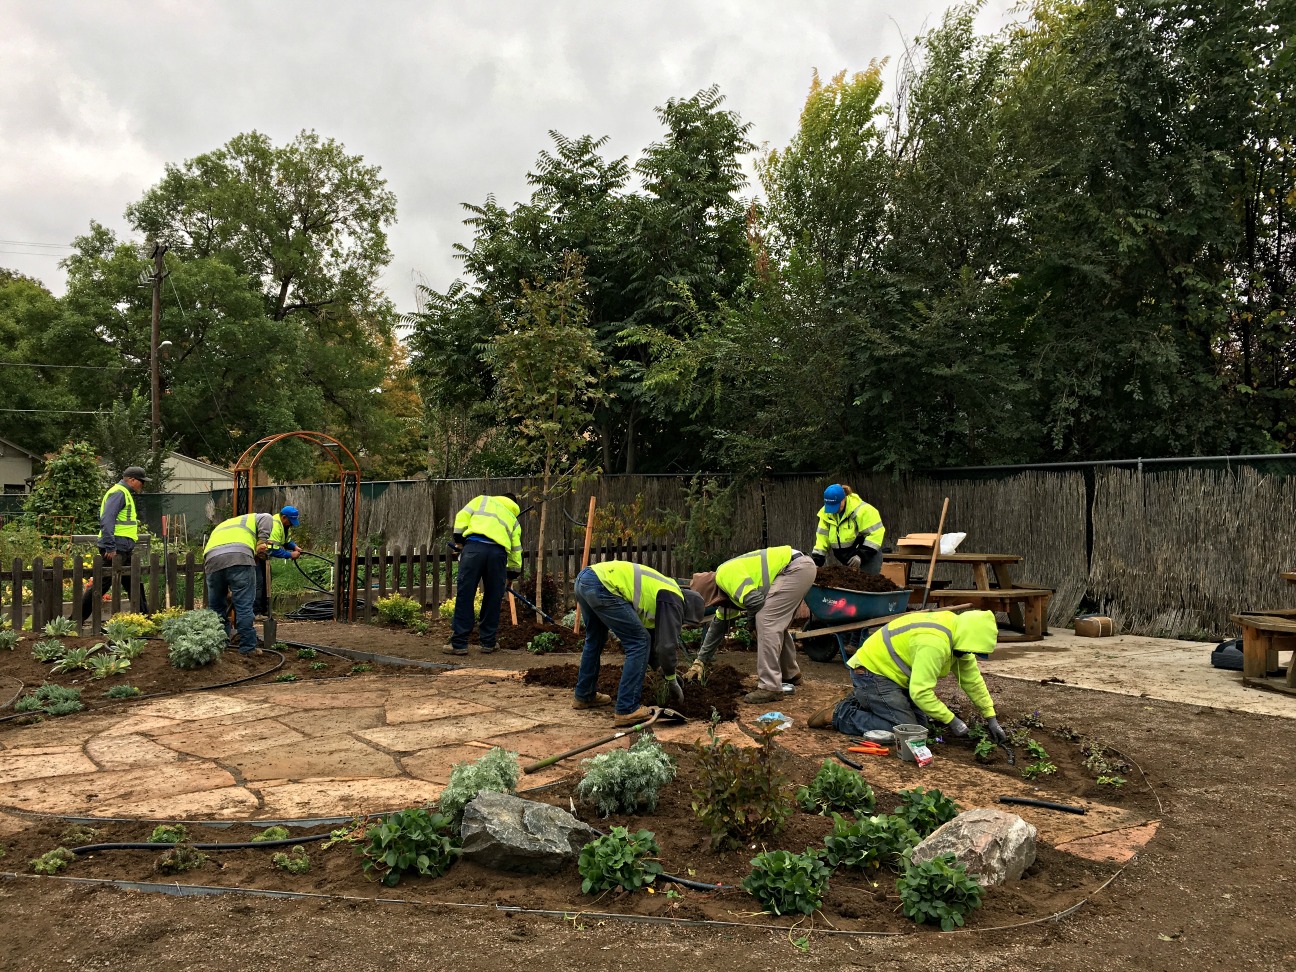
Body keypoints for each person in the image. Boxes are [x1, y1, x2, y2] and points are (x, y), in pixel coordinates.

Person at [807, 609, 1010, 743]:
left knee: (920, 728)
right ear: (968, 639)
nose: (971, 654)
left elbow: (973, 682)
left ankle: (863, 699)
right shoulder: (934, 643)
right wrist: (953, 721)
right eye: (971, 650)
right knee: (906, 731)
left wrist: (991, 718)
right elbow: (921, 693)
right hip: (872, 673)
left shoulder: (959, 636)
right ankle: (840, 714)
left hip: (892, 677)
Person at [572, 560, 706, 727]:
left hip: (587, 579)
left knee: (596, 639)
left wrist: (660, 668)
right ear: (686, 609)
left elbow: (654, 643)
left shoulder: (664, 592)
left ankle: (584, 695)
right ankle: (627, 709)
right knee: (638, 642)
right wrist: (671, 678)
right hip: (603, 585)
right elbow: (666, 646)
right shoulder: (674, 599)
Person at [689, 545, 817, 704]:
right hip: (799, 567)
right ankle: (790, 674)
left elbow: (755, 602)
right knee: (774, 623)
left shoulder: (725, 575)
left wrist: (752, 626)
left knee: (766, 620)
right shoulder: (729, 593)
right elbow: (717, 628)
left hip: (793, 569)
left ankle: (770, 687)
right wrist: (700, 661)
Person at [443, 493, 523, 656]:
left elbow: (461, 516)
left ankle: (459, 644)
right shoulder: (513, 519)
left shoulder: (482, 500)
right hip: (497, 554)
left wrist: (459, 541)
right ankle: (488, 642)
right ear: (514, 506)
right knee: (493, 598)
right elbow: (516, 551)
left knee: (466, 595)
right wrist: (511, 575)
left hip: (473, 549)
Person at [80, 466, 150, 621]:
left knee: (134, 582)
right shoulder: (119, 493)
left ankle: (145, 618)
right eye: (141, 481)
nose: (143, 485)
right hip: (116, 548)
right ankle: (75, 620)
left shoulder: (123, 492)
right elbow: (106, 520)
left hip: (123, 547)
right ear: (132, 480)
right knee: (100, 585)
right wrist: (110, 547)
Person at [203, 512, 274, 655]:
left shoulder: (222, 526)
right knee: (244, 606)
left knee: (216, 608)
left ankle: (219, 646)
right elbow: (267, 517)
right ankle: (248, 648)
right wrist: (262, 541)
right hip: (240, 558)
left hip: (212, 561)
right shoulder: (252, 518)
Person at [811, 484, 885, 574]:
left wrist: (861, 555)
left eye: (836, 505)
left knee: (868, 581)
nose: (834, 510)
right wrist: (817, 560)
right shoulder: (826, 514)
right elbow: (822, 539)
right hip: (848, 559)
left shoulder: (863, 510)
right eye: (831, 506)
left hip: (868, 556)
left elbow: (875, 534)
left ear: (843, 499)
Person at [254, 506, 302, 616]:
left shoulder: (284, 526)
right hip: (255, 555)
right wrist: (290, 554)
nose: (291, 524)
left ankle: (264, 610)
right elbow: (272, 549)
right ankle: (255, 612)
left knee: (267, 580)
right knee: (258, 582)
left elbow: (286, 541)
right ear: (284, 517)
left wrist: (294, 547)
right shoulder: (275, 525)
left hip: (263, 556)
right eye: (290, 521)